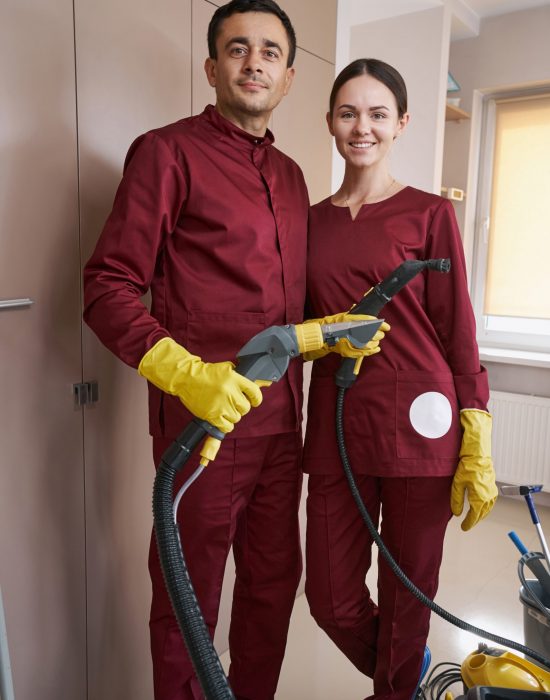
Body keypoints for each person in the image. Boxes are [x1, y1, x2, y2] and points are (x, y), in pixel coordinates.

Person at [83, 4, 386, 699]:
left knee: (272, 590)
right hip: (204, 430)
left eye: (272, 52)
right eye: (238, 48)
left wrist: (338, 330)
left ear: (285, 80)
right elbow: (106, 287)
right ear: (213, 67)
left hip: (284, 429)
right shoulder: (167, 153)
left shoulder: (290, 178)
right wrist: (183, 374)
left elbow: (284, 316)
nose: (255, 61)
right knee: (189, 605)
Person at [303, 58, 498, 700]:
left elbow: (455, 325)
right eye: (349, 112)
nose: (363, 127)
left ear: (402, 123)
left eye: (378, 113)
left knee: (408, 590)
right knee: (329, 596)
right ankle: (406, 680)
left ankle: (394, 693)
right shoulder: (308, 222)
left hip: (424, 425)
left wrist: (477, 418)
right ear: (331, 121)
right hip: (337, 424)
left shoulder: (429, 213)